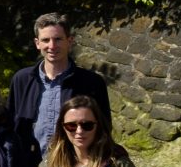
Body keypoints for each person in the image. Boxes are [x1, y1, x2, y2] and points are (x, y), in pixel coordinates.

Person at [9, 12, 112, 150]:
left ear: (69, 41)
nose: (52, 46)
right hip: (29, 166)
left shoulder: (92, 83)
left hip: (74, 164)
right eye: (45, 40)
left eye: (58, 39)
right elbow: (12, 126)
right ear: (37, 43)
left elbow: (103, 129)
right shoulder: (21, 80)